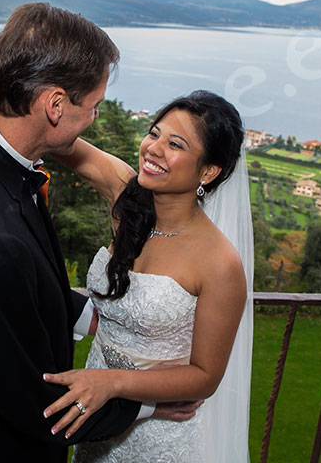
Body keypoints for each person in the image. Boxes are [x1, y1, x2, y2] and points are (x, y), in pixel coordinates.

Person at [0, 3, 197, 462]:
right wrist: (149, 402)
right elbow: (40, 408)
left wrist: (86, 315)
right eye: (95, 106)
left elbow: (15, 290)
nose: (96, 118)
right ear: (55, 105)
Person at [42, 90, 254, 463]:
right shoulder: (128, 202)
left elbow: (206, 375)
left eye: (174, 144)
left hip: (159, 436)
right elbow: (51, 136)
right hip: (95, 419)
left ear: (208, 171)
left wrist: (113, 383)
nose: (153, 148)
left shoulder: (220, 263)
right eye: (154, 133)